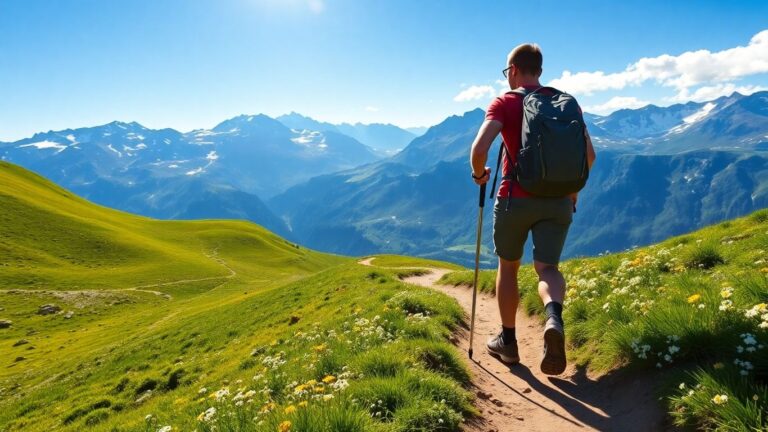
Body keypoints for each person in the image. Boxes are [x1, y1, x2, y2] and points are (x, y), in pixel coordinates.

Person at [468, 43, 596, 375]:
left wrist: (480, 175)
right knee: (548, 268)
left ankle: (508, 343)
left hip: (514, 198)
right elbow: (589, 156)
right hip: (559, 201)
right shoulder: (566, 104)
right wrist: (571, 192)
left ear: (513, 70)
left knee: (508, 267)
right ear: (538, 70)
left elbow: (479, 149)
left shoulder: (505, 102)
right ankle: (553, 318)